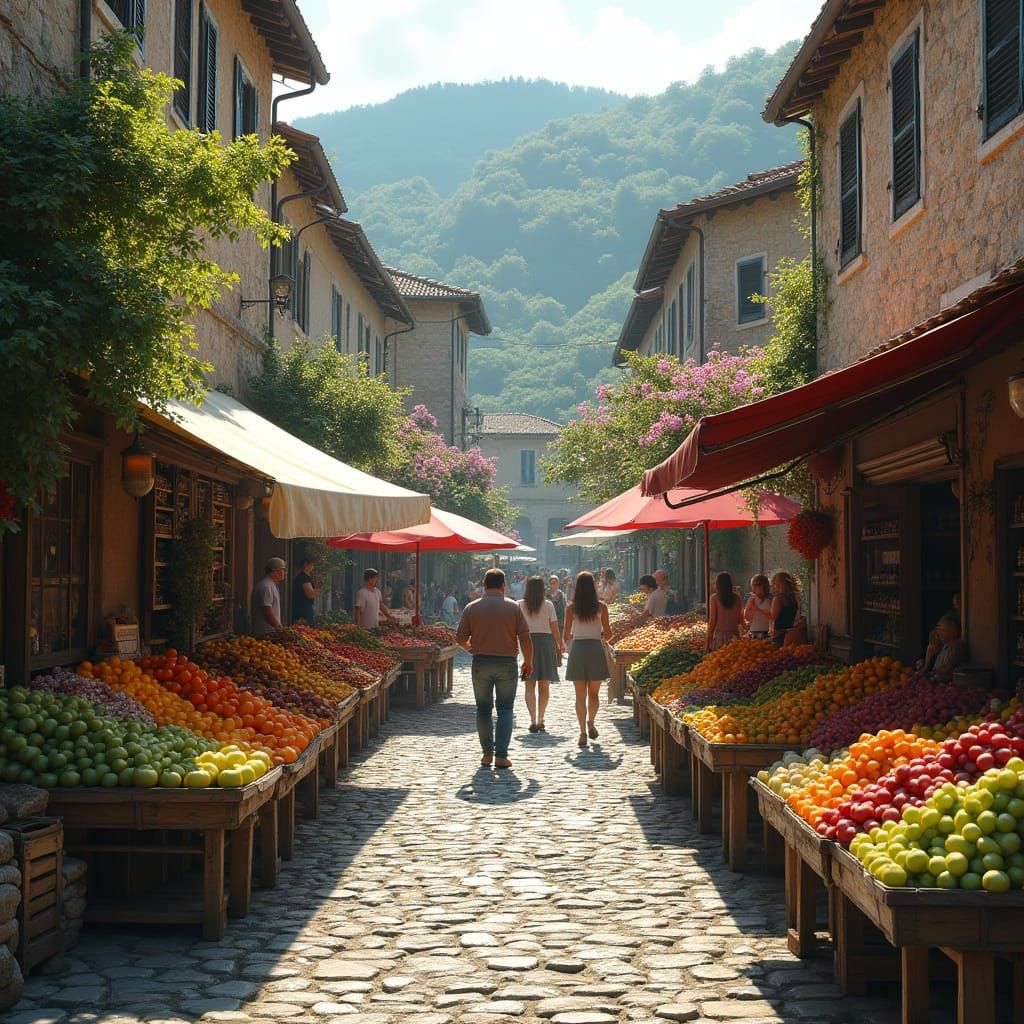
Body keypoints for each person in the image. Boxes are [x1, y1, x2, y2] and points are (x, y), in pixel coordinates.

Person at [456, 568, 533, 769]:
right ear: (503, 585)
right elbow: (525, 637)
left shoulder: (471, 608)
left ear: (484, 585)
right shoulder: (513, 608)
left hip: (481, 662)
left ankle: (486, 754)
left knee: (483, 709)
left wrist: (470, 648)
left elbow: (460, 638)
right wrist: (528, 661)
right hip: (507, 663)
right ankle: (501, 755)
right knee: (505, 709)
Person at [563, 571, 612, 748]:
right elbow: (608, 634)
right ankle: (591, 721)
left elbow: (566, 634)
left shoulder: (571, 608)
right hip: (595, 649)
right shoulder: (601, 607)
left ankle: (582, 731)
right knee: (594, 694)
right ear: (593, 587)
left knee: (579, 696)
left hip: (578, 649)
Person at [518, 576, 563, 733]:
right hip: (546, 644)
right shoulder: (548, 605)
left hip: (526, 644)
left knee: (529, 685)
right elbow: (555, 628)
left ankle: (532, 719)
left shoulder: (520, 605)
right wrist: (560, 644)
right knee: (544, 685)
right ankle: (541, 718)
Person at [922, 614, 969, 683]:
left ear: (952, 630)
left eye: (942, 630)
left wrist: (930, 672)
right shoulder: (945, 647)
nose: (939, 633)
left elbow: (947, 669)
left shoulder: (957, 647)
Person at [707, 571, 743, 651]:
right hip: (735, 636)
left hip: (720, 637)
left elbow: (712, 620)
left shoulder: (714, 598)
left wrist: (708, 641)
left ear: (718, 584)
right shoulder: (737, 598)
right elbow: (739, 619)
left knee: (721, 661)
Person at [252, 557, 286, 636]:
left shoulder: (271, 585)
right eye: (282, 569)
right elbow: (267, 610)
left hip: (270, 631)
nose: (284, 572)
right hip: (265, 632)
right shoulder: (266, 586)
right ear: (275, 571)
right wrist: (278, 627)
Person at [769, 571, 801, 647]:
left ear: (780, 584)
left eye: (774, 584)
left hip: (779, 634)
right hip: (791, 634)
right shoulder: (794, 598)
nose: (773, 586)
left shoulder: (778, 598)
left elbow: (772, 617)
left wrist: (758, 610)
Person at [290, 555, 320, 625]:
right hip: (303, 609)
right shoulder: (304, 578)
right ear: (306, 565)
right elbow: (310, 594)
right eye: (312, 564)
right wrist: (319, 586)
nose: (313, 567)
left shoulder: (304, 577)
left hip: (304, 608)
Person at [743, 574, 772, 640]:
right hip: (754, 631)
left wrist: (757, 609)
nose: (754, 588)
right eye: (753, 585)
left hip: (767, 632)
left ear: (763, 586)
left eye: (757, 585)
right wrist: (752, 610)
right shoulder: (751, 599)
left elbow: (771, 616)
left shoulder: (770, 599)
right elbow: (746, 617)